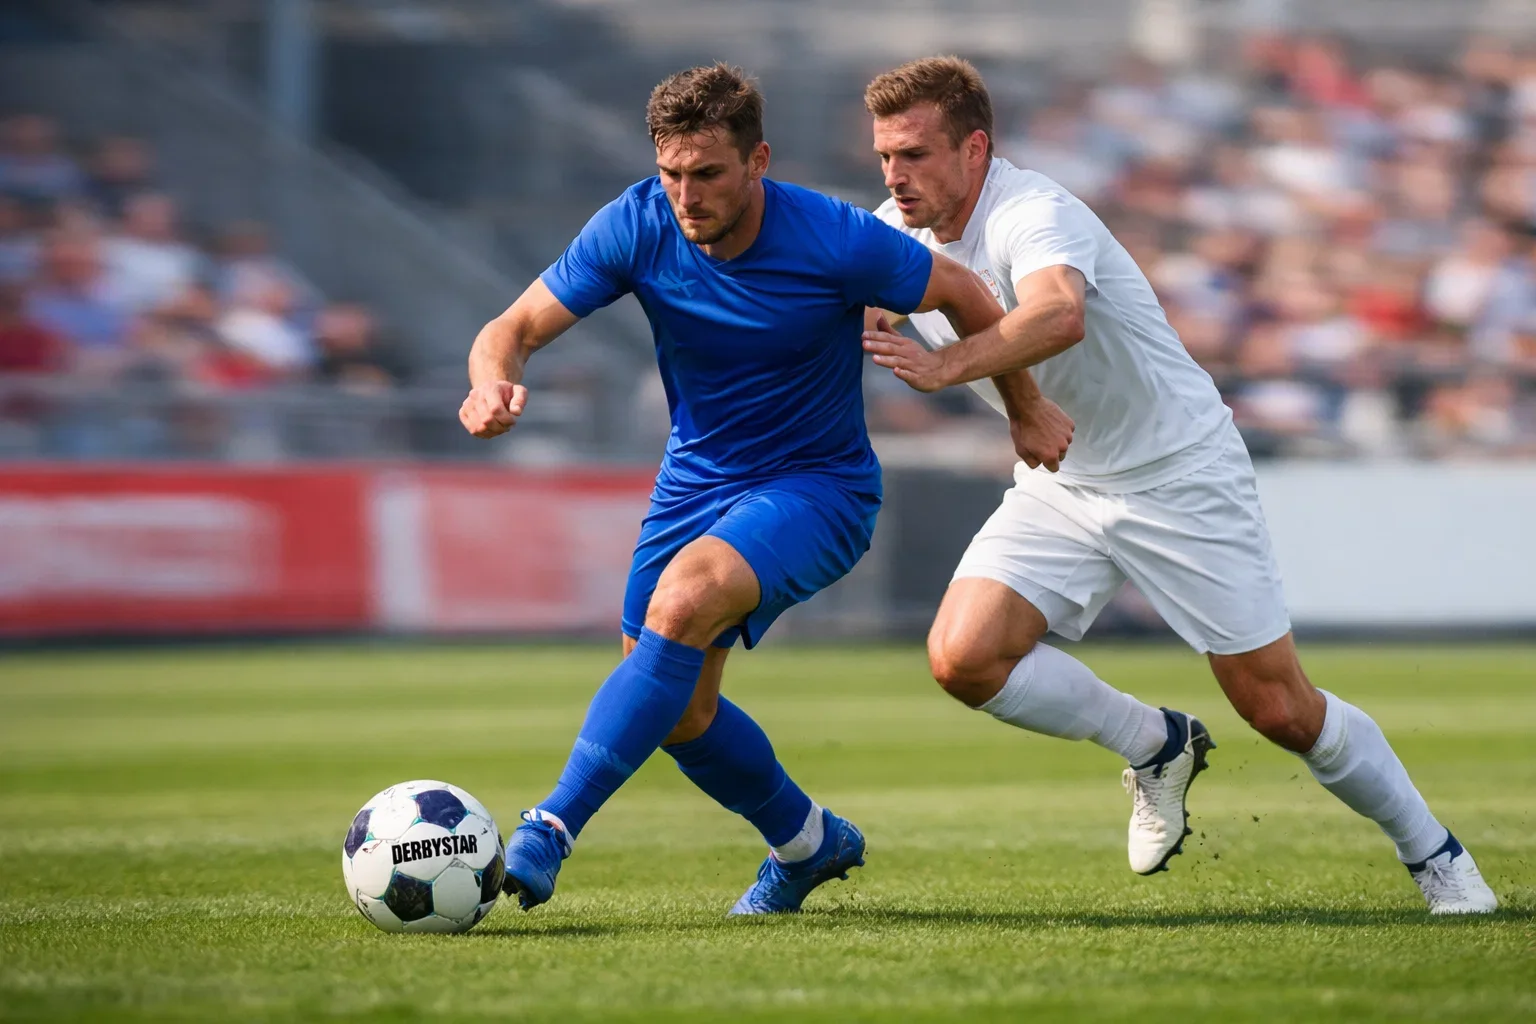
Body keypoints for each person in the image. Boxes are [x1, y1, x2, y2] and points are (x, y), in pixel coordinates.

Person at [858, 56, 1496, 914]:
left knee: (1279, 709)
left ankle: (1437, 854)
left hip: (1178, 473)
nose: (898, 176)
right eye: (886, 157)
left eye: (918, 154)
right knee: (964, 659)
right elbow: (840, 308)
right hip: (1066, 477)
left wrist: (945, 370)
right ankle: (1157, 745)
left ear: (975, 149)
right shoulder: (888, 230)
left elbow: (1056, 313)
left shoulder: (1033, 210)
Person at [459, 63, 1071, 915]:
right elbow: (512, 327)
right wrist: (491, 381)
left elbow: (968, 294)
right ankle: (811, 843)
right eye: (672, 173)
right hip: (694, 484)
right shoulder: (634, 225)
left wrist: (1025, 409)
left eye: (707, 173)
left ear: (759, 162)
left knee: (684, 600)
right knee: (675, 710)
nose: (686, 194)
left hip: (818, 488)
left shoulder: (834, 237)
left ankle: (550, 826)